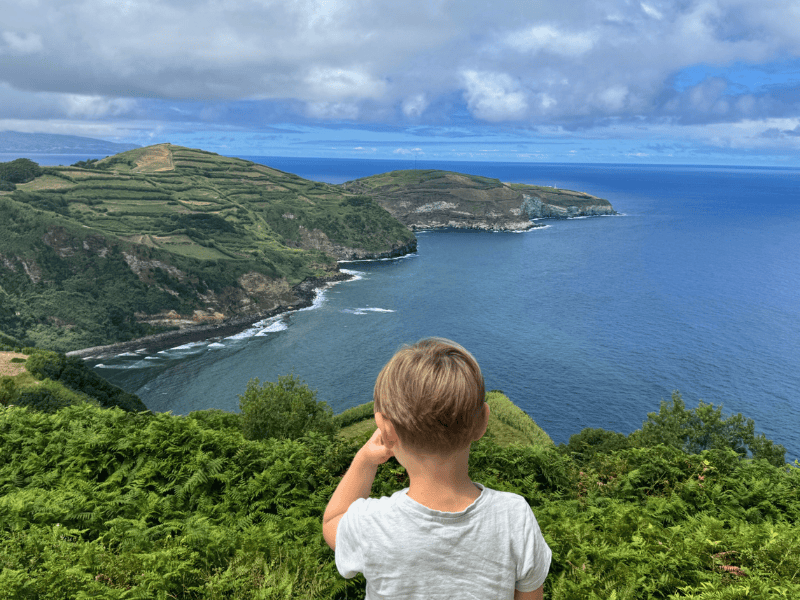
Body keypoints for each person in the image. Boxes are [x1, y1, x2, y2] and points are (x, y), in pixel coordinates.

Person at [322, 337, 551, 599]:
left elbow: (332, 520)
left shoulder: (375, 524)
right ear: (483, 421)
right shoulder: (515, 517)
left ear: (386, 430)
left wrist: (365, 459)